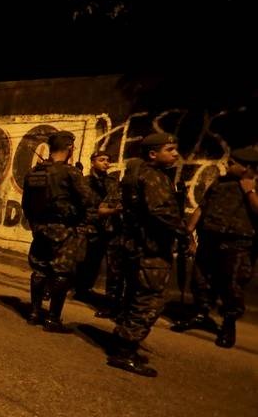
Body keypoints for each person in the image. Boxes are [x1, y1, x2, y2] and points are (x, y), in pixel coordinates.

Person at [110, 132, 191, 377]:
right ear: (153, 154)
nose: (175, 153)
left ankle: (122, 342)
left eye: (175, 148)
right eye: (170, 149)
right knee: (151, 299)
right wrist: (183, 233)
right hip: (151, 249)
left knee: (135, 296)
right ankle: (125, 351)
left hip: (136, 246)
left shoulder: (136, 173)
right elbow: (160, 211)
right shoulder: (153, 177)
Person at [170, 146, 258, 348]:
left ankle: (228, 324)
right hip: (209, 241)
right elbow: (202, 206)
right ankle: (200, 314)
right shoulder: (220, 182)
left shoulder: (254, 185)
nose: (227, 165)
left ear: (248, 167)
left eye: (233, 163)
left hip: (237, 245)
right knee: (200, 281)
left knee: (232, 286)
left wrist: (249, 190)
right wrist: (189, 229)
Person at [20, 131, 98, 332]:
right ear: (70, 148)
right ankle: (53, 318)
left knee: (39, 270)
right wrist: (83, 225)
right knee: (61, 273)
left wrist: (36, 225)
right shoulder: (70, 173)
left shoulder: (33, 173)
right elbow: (90, 201)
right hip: (65, 230)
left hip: (40, 229)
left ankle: (34, 312)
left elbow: (26, 204)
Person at [74, 149, 125, 318]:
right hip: (88, 226)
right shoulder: (84, 181)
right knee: (81, 260)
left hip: (107, 228)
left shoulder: (112, 182)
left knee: (102, 265)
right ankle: (77, 288)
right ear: (93, 161)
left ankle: (93, 293)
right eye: (102, 159)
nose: (106, 163)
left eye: (108, 160)